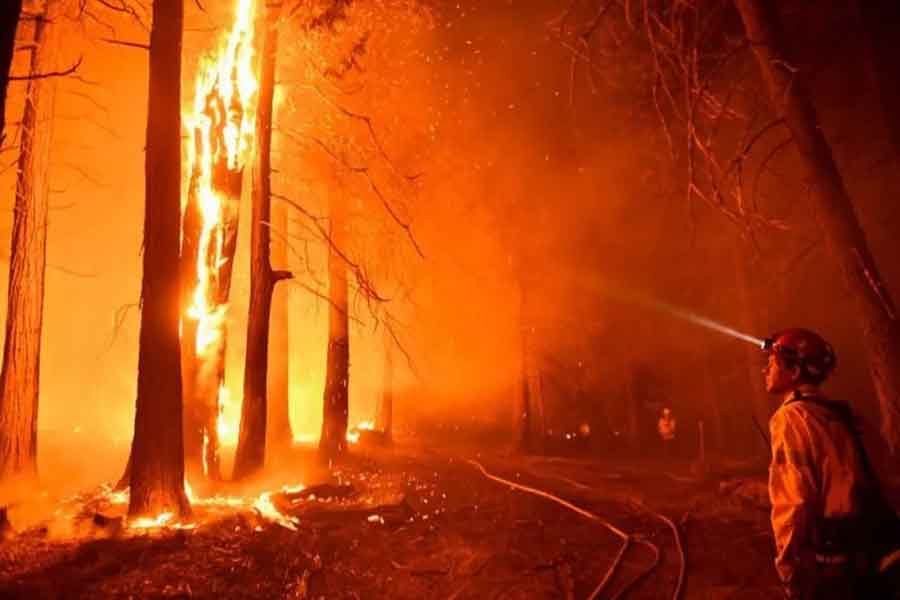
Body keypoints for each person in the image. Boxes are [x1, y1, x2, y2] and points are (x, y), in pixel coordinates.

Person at [762, 328, 867, 599]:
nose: (766, 371)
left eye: (771, 364)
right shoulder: (843, 413)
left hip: (826, 560)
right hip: (866, 549)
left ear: (794, 373)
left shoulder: (791, 418)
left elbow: (794, 499)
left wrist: (787, 564)